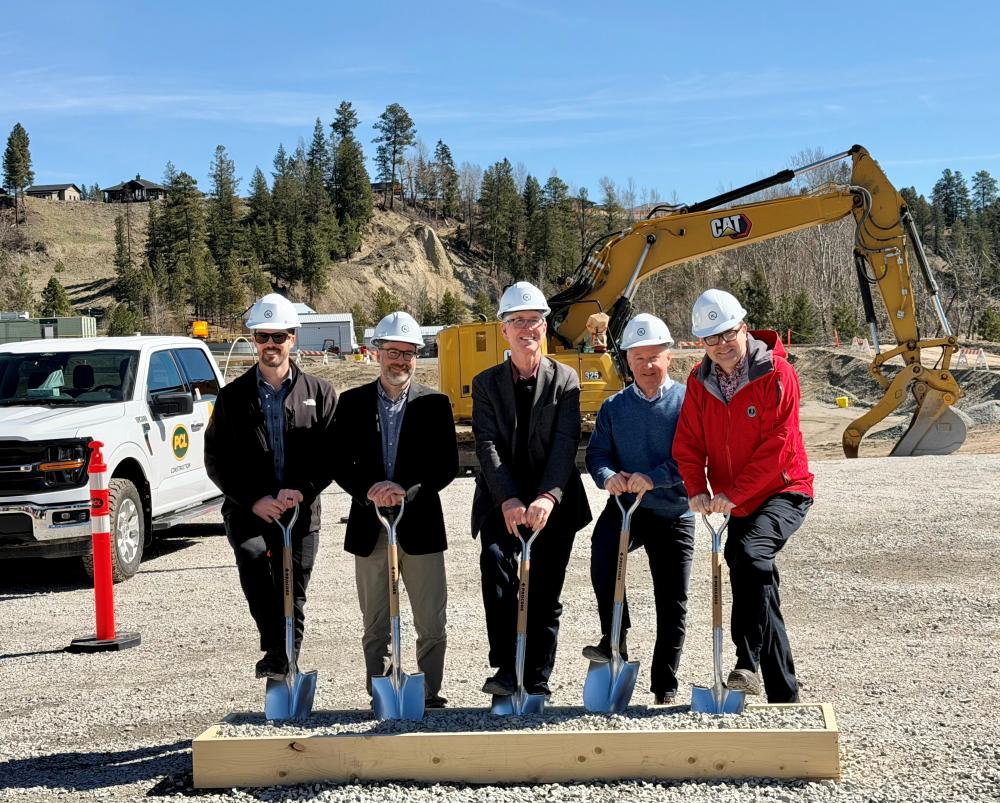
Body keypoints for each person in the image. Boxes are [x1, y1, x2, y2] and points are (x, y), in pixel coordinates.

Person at [672, 288, 814, 703]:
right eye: (710, 339)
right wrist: (697, 489)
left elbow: (779, 445)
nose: (720, 346)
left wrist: (731, 493)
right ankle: (783, 696)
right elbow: (688, 445)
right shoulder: (699, 383)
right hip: (739, 500)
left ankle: (746, 661)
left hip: (785, 489)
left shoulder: (777, 374)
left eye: (727, 334)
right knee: (758, 582)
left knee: (749, 557)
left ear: (744, 327)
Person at [205, 293, 338, 680]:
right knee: (253, 561)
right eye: (262, 338)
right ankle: (276, 649)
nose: (270, 346)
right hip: (250, 510)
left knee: (293, 589)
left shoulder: (320, 393)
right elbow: (216, 460)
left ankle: (286, 662)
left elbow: (331, 455)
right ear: (254, 342)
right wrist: (253, 500)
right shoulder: (232, 398)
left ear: (292, 339)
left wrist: (304, 490)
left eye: (278, 337)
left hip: (301, 510)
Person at [471, 281, 592, 699]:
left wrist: (546, 497)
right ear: (503, 329)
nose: (527, 328)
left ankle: (537, 677)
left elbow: (565, 442)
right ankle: (507, 667)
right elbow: (485, 443)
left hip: (551, 500)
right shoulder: (486, 383)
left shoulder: (566, 379)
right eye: (518, 321)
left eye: (535, 321)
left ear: (546, 325)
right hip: (501, 500)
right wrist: (507, 498)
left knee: (544, 592)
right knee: (497, 569)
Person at [331, 311, 458, 709]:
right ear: (376, 353)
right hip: (371, 528)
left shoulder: (435, 404)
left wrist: (405, 490)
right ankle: (381, 694)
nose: (400, 360)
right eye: (392, 352)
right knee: (375, 623)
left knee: (430, 621)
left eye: (408, 353)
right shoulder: (351, 404)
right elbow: (338, 463)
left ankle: (428, 693)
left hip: (419, 524)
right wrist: (369, 491)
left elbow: (447, 465)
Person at [584, 313, 694, 705]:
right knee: (601, 556)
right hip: (627, 507)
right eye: (638, 357)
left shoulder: (686, 402)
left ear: (669, 356)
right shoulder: (615, 407)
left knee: (672, 598)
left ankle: (665, 683)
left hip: (672, 511)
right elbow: (596, 453)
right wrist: (607, 476)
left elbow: (694, 458)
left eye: (654, 356)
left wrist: (654, 477)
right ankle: (616, 639)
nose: (647, 366)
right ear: (627, 361)